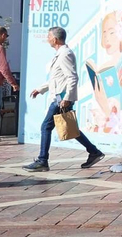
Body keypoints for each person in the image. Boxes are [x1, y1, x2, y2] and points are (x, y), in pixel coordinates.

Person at [24, 26, 105, 172]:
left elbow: (72, 77)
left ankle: (43, 160)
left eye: (49, 36)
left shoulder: (65, 54)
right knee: (70, 128)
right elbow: (57, 78)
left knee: (46, 127)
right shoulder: (60, 54)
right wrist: (40, 89)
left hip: (61, 99)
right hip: (60, 98)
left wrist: (67, 98)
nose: (47, 39)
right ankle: (94, 151)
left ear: (55, 39)